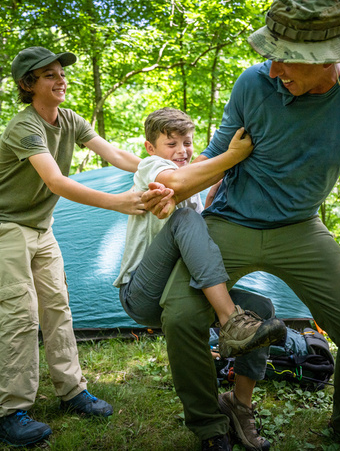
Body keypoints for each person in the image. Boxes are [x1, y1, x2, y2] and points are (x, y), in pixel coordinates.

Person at [144, 0, 340, 450]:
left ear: (328, 58)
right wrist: (176, 187)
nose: (273, 67)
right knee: (180, 316)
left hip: (301, 228)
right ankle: (209, 425)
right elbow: (217, 154)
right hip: (229, 221)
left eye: (286, 58)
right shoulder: (254, 84)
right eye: (272, 54)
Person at [0, 46, 170, 447]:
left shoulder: (69, 119)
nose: (60, 79)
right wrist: (118, 202)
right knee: (20, 315)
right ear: (28, 84)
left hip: (40, 227)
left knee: (57, 308)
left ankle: (72, 392)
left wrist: (162, 169)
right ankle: (9, 412)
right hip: (5, 227)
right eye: (49, 75)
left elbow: (114, 152)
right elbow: (56, 182)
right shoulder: (24, 127)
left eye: (61, 72)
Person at [114, 108, 287, 358]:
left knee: (261, 308)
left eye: (187, 142)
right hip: (142, 293)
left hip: (177, 289)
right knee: (185, 217)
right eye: (171, 143)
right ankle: (230, 320)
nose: (182, 150)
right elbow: (174, 182)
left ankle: (239, 396)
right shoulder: (151, 166)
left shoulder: (192, 189)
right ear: (150, 148)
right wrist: (232, 156)